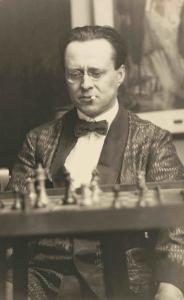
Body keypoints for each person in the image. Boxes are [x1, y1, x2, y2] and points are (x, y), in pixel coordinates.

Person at [7, 25, 184, 300]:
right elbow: (12, 224)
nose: (85, 84)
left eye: (96, 73)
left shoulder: (152, 140)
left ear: (120, 75)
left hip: (123, 278)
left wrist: (171, 288)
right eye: (75, 74)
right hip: (44, 278)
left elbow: (177, 226)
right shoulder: (37, 140)